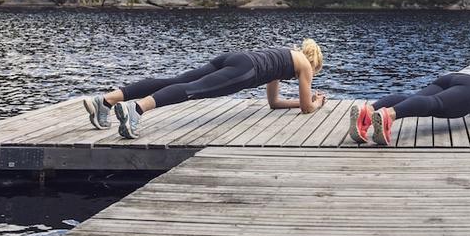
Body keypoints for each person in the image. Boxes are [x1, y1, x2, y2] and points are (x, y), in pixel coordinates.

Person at [72, 39, 325, 139]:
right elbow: (306, 108)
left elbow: (274, 103)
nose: (310, 77)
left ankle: (105, 101)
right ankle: (136, 110)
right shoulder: (305, 66)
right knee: (192, 89)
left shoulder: (285, 56)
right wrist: (316, 103)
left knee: (174, 80)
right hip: (244, 71)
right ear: (314, 63)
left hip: (236, 57)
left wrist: (297, 102)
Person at [349, 45, 470, 146]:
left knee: (412, 97)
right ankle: (389, 116)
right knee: (434, 103)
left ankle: (368, 111)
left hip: (451, 77)